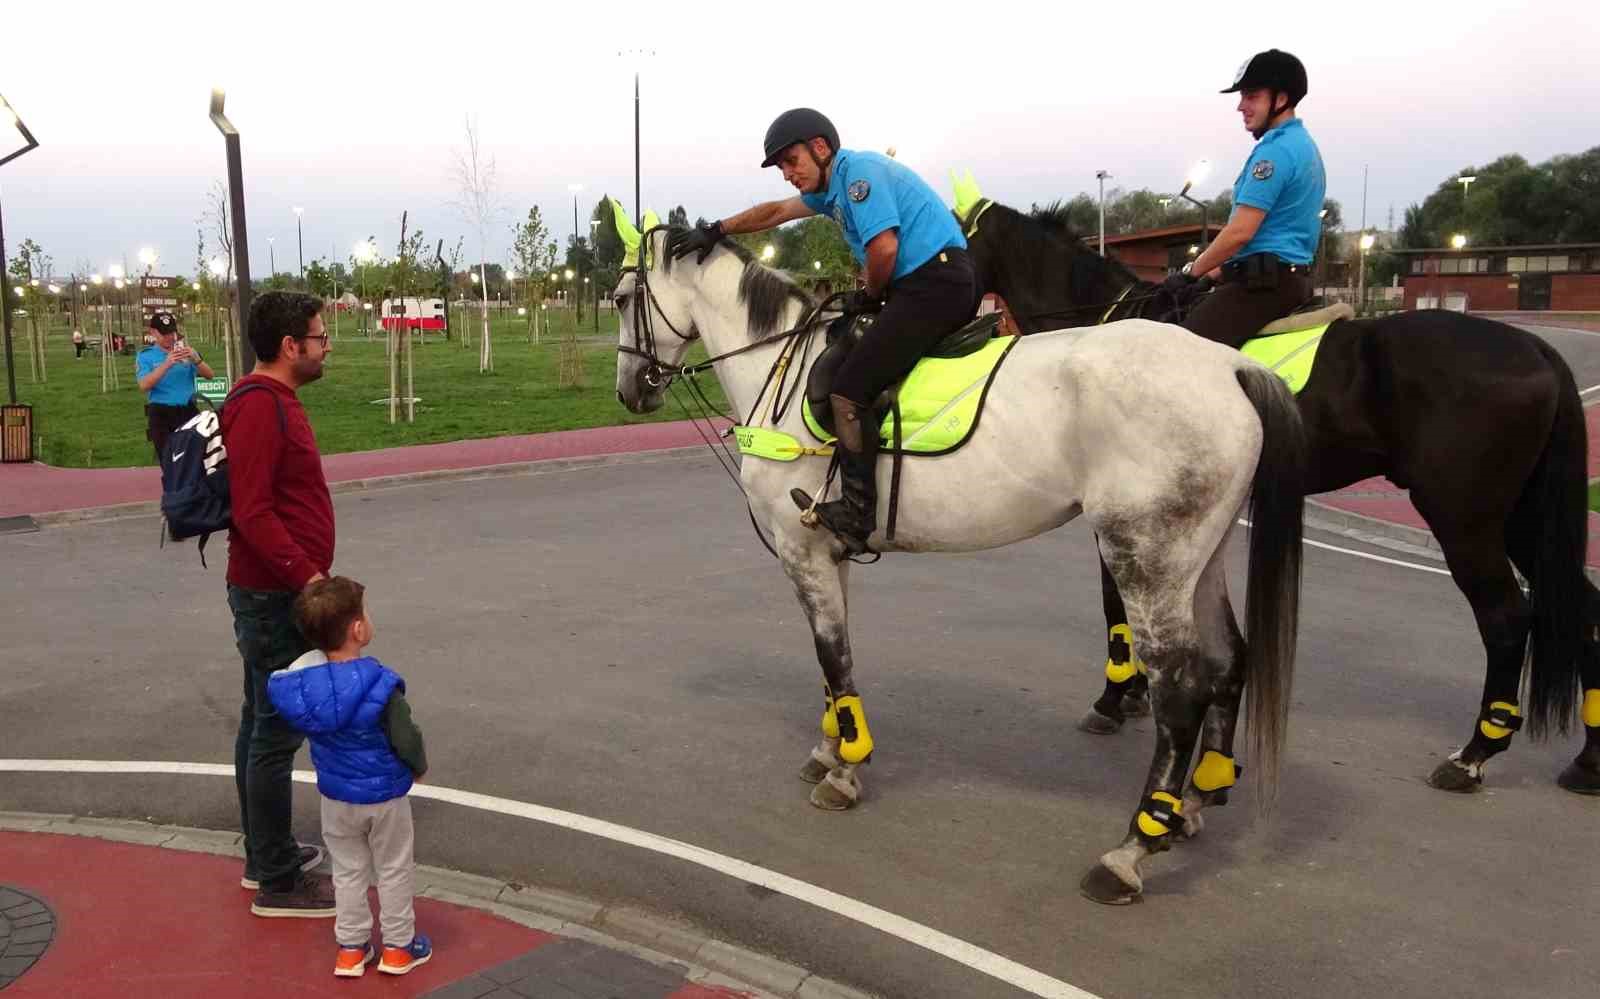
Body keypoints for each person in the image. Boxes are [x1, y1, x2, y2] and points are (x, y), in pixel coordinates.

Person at [667, 109, 975, 554]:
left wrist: (868, 293)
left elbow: (884, 247)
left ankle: (858, 510)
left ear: (821, 147)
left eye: (791, 161)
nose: (788, 174)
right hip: (921, 284)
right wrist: (716, 230)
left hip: (936, 284)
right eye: (781, 168)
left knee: (849, 389)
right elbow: (774, 212)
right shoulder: (831, 189)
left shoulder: (858, 176)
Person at [224, 290, 338, 918]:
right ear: (290, 345)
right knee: (274, 731)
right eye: (320, 338)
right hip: (274, 594)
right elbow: (254, 511)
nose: (325, 348)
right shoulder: (261, 406)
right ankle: (278, 880)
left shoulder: (273, 401)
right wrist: (308, 577)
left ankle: (263, 853)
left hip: (271, 588)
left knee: (259, 721)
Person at [268, 576, 432, 978]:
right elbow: (405, 735)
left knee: (348, 869)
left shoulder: (306, 689)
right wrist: (418, 766)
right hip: (384, 794)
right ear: (358, 629)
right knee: (393, 866)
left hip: (337, 797)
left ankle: (351, 948)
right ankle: (398, 946)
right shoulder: (380, 682)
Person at [1163, 49, 1326, 348]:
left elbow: (1241, 233)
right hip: (1279, 278)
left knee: (1177, 351)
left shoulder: (1275, 152)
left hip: (1265, 287)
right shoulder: (1302, 144)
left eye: (1251, 96)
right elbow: (1267, 237)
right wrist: (1211, 275)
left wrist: (1190, 272)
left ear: (1280, 99)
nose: (1241, 106)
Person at [136, 311, 215, 462]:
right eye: (164, 333)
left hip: (188, 411)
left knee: (194, 460)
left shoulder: (186, 351)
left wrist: (196, 360)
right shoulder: (146, 355)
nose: (169, 337)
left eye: (172, 332)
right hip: (161, 413)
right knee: (170, 462)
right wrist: (167, 363)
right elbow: (144, 385)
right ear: (152, 332)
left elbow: (210, 375)